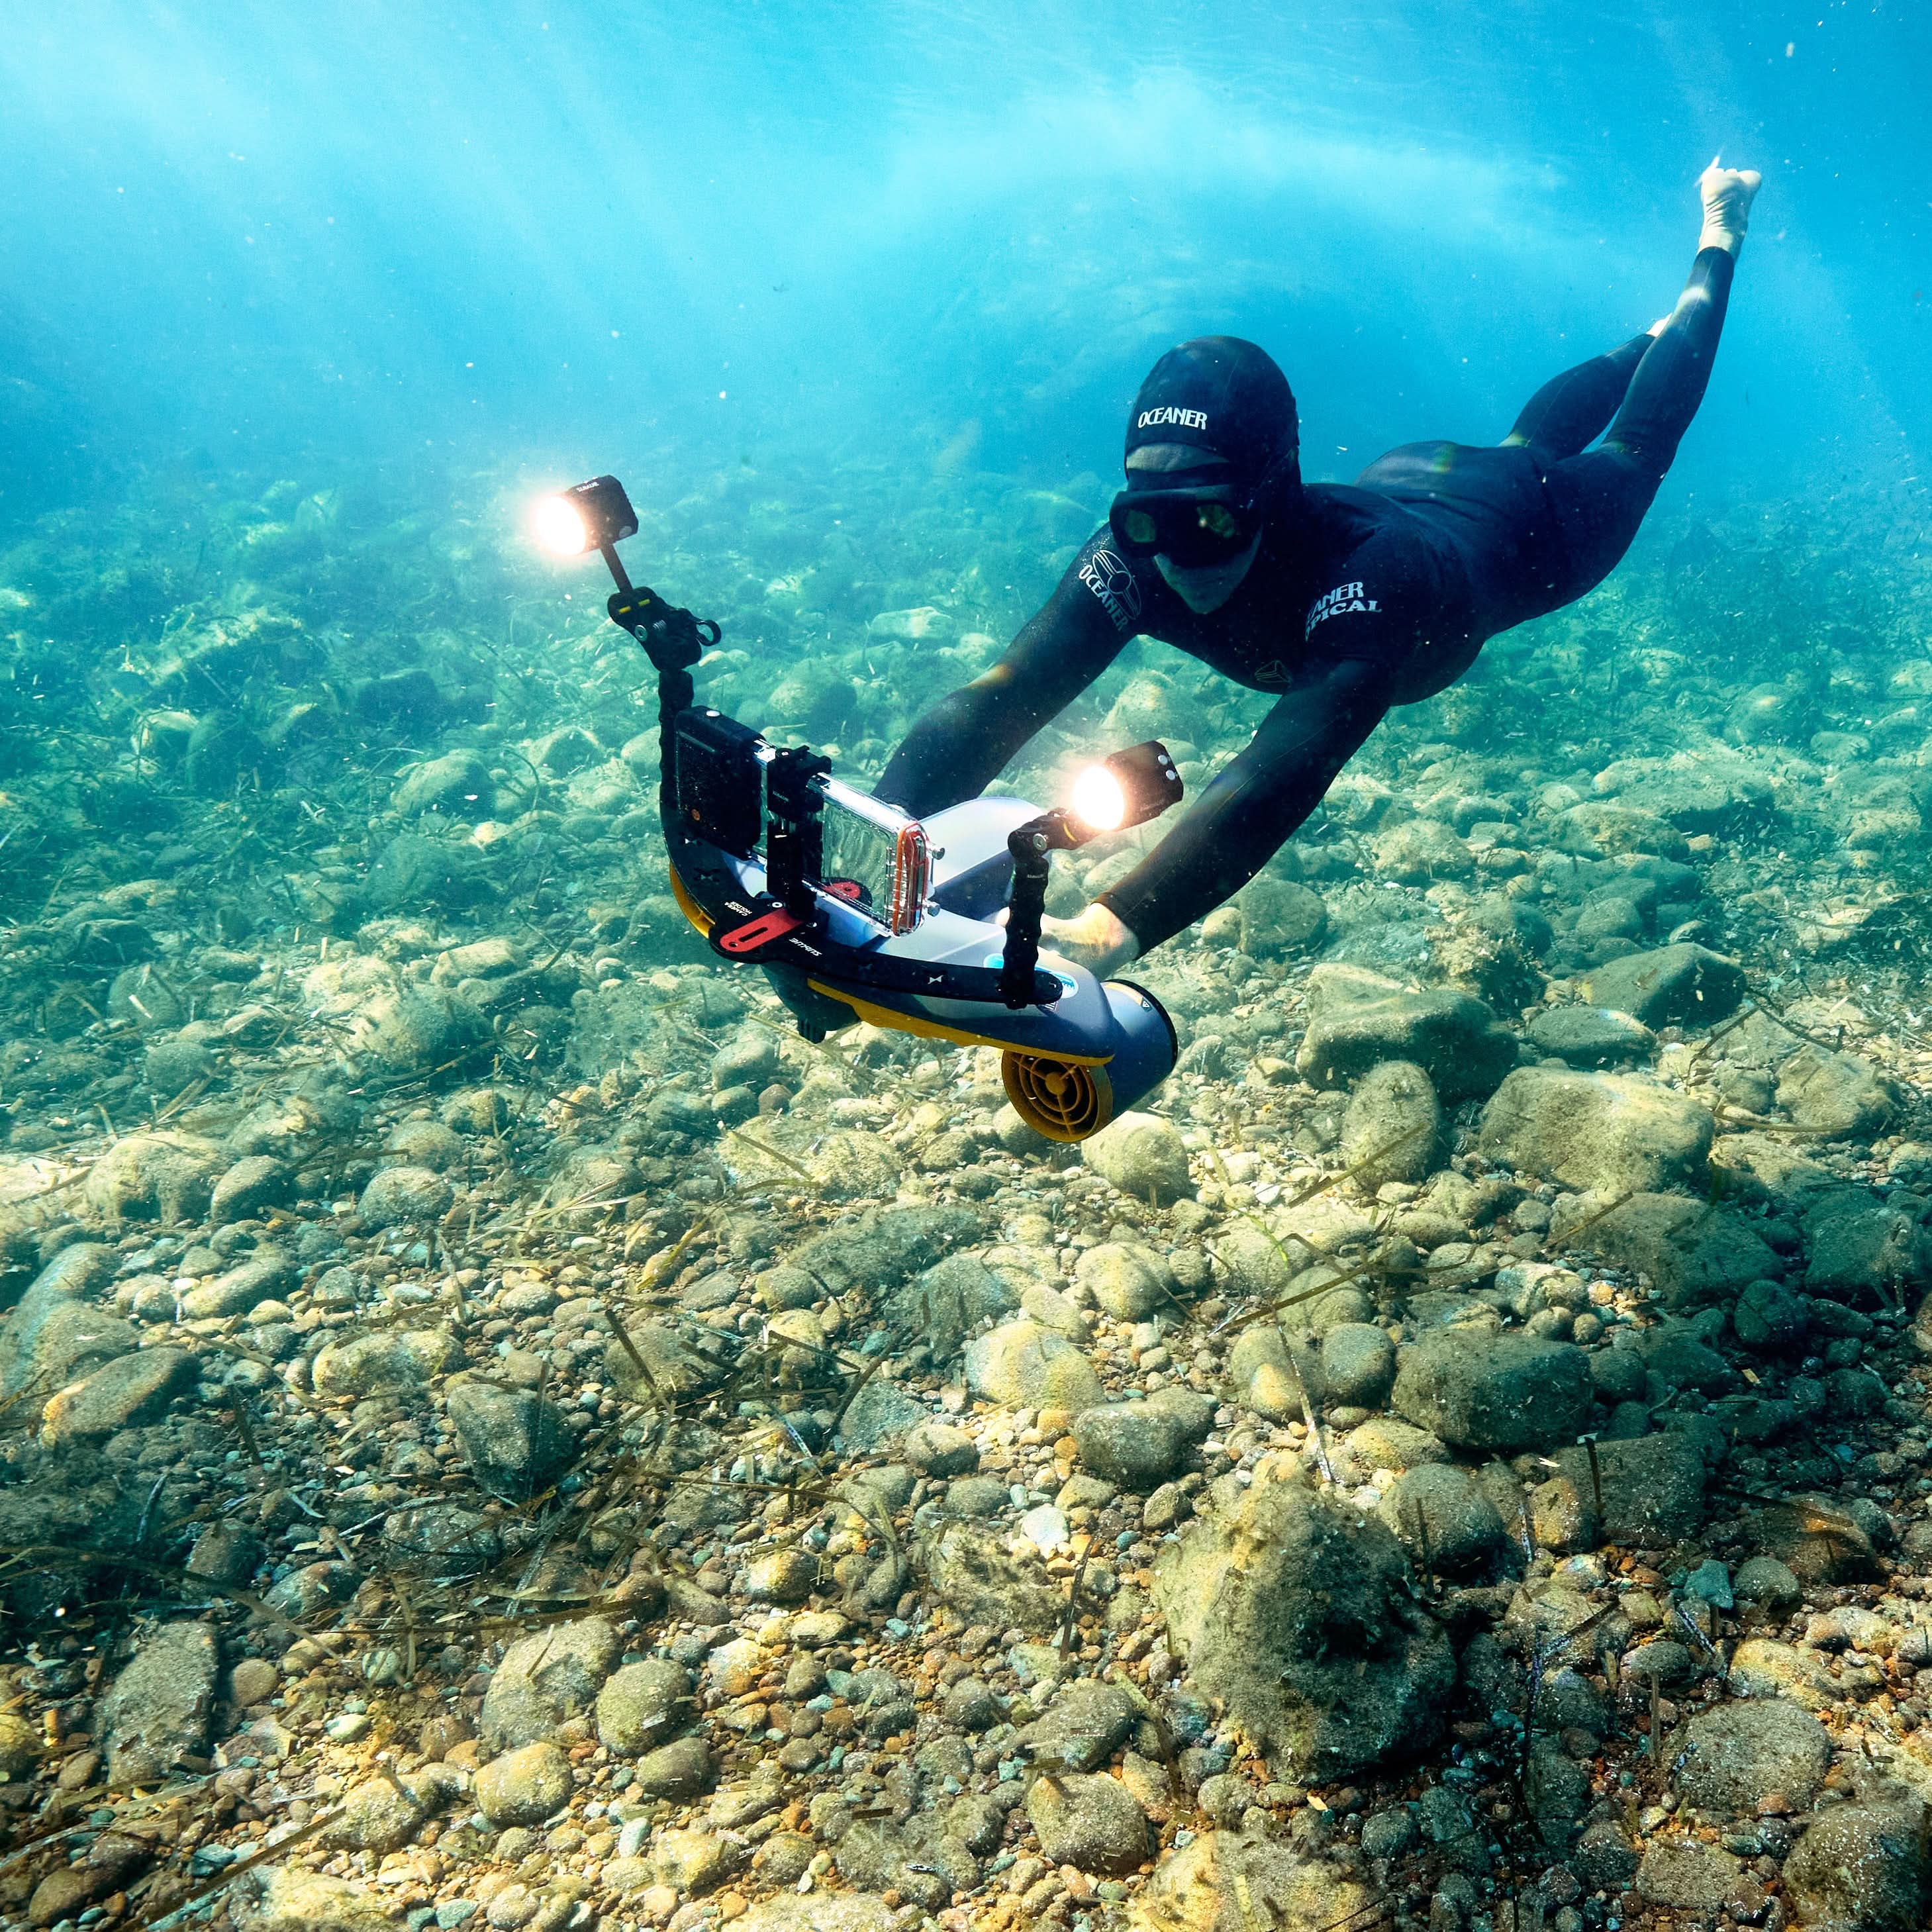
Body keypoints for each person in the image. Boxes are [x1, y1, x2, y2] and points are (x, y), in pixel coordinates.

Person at [874, 160, 1763, 978]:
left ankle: (1716, 238)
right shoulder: (1134, 556)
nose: (1179, 559)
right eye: (1149, 521)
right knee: (1518, 442)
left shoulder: (1370, 580)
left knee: (1631, 443)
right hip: (1419, 478)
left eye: (1213, 521)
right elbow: (1000, 695)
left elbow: (1281, 770)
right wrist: (877, 848)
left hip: (1528, 534)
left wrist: (1113, 925)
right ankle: (1643, 334)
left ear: (1273, 490)